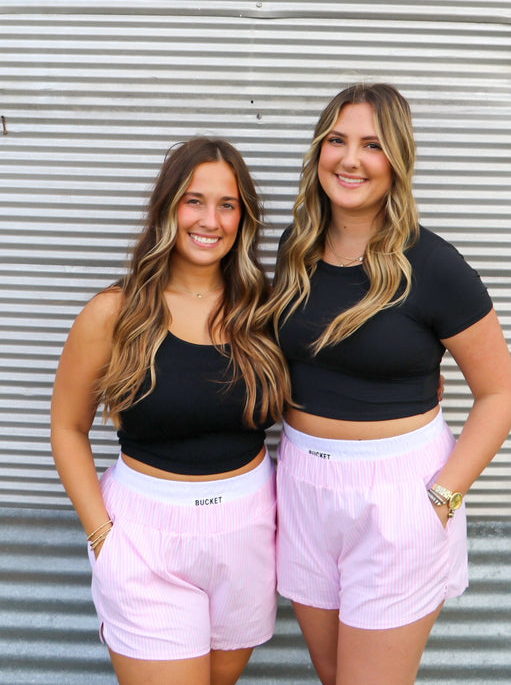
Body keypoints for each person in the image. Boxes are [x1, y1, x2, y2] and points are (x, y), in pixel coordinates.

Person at [267, 83, 511, 685]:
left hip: (399, 494)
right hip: (303, 484)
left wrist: (443, 498)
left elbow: (499, 393)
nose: (350, 159)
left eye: (372, 145)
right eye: (337, 140)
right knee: (333, 677)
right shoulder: (294, 251)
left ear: (397, 160)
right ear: (318, 151)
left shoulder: (433, 266)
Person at [50, 138, 292, 685]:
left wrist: (417, 378)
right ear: (167, 208)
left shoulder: (266, 311)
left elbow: (335, 375)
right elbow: (66, 428)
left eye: (227, 204)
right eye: (193, 200)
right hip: (143, 538)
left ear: (244, 217)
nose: (210, 220)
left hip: (247, 532)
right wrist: (102, 537)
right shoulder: (116, 312)